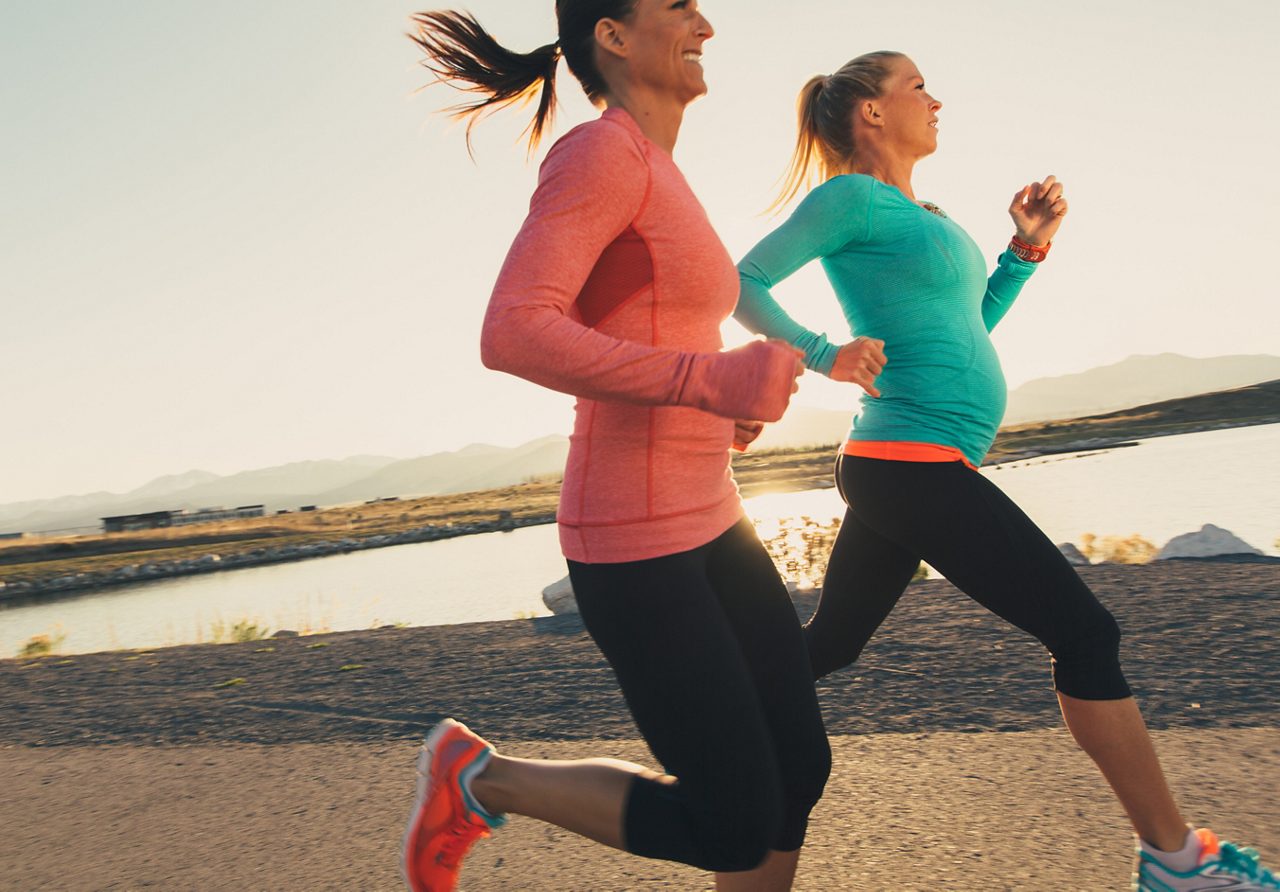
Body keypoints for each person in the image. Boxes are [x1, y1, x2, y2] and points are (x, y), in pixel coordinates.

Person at [734, 51, 1279, 892]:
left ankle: (712, 727)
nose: (936, 98)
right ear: (872, 113)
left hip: (909, 464)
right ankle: (1176, 863)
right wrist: (823, 354)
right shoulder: (849, 199)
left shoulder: (928, 214)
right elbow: (746, 280)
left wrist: (1024, 250)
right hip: (905, 462)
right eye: (918, 86)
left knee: (831, 646)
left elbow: (968, 323)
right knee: (1088, 636)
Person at [401, 3, 832, 891]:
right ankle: (480, 778)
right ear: (613, 34)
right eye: (678, 6)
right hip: (636, 545)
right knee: (735, 818)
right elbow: (513, 330)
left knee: (798, 768)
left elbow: (643, 330)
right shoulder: (600, 153)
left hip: (713, 519)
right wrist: (708, 382)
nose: (706, 23)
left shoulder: (657, 166)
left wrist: (724, 407)